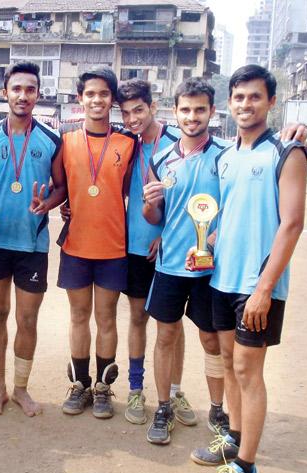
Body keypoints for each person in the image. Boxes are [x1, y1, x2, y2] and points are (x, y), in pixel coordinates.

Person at [192, 65, 307, 473]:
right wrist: (207, 245)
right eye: (239, 97)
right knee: (227, 360)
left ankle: (245, 467)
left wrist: (264, 288)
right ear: (230, 103)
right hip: (220, 278)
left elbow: (292, 224)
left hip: (257, 285)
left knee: (247, 371)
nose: (246, 105)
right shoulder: (227, 156)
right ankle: (233, 439)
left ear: (271, 102)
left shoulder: (287, 152)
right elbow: (230, 215)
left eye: (255, 97)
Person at [0, 61, 66, 417]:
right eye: (17, 89)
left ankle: (21, 388)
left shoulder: (51, 140)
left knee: (27, 321)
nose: (23, 96)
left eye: (30, 90)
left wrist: (47, 203)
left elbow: (62, 187)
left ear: (38, 95)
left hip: (32, 245)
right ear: (5, 93)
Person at [142, 78, 228, 445]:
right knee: (165, 336)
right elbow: (154, 217)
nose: (192, 117)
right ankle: (163, 407)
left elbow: (233, 209)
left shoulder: (226, 155)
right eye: (186, 110)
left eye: (200, 109)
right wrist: (149, 202)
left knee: (211, 339)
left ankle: (218, 408)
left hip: (209, 268)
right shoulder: (160, 158)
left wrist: (211, 239)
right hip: (170, 265)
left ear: (211, 111)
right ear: (174, 112)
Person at [116, 79, 195, 427]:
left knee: (171, 325)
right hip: (133, 247)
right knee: (136, 319)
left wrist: (165, 234)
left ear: (153, 106)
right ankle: (136, 389)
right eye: (127, 112)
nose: (133, 119)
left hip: (170, 248)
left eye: (139, 110)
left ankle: (175, 391)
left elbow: (196, 196)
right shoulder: (125, 145)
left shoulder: (177, 143)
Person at [58, 66, 136, 419]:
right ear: (80, 99)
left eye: (104, 94)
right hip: (76, 246)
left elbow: (130, 191)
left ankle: (103, 387)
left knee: (106, 318)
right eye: (90, 93)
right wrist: (60, 204)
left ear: (112, 100)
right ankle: (80, 384)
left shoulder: (127, 143)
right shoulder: (67, 141)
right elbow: (61, 187)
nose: (97, 99)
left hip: (112, 247)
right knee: (78, 317)